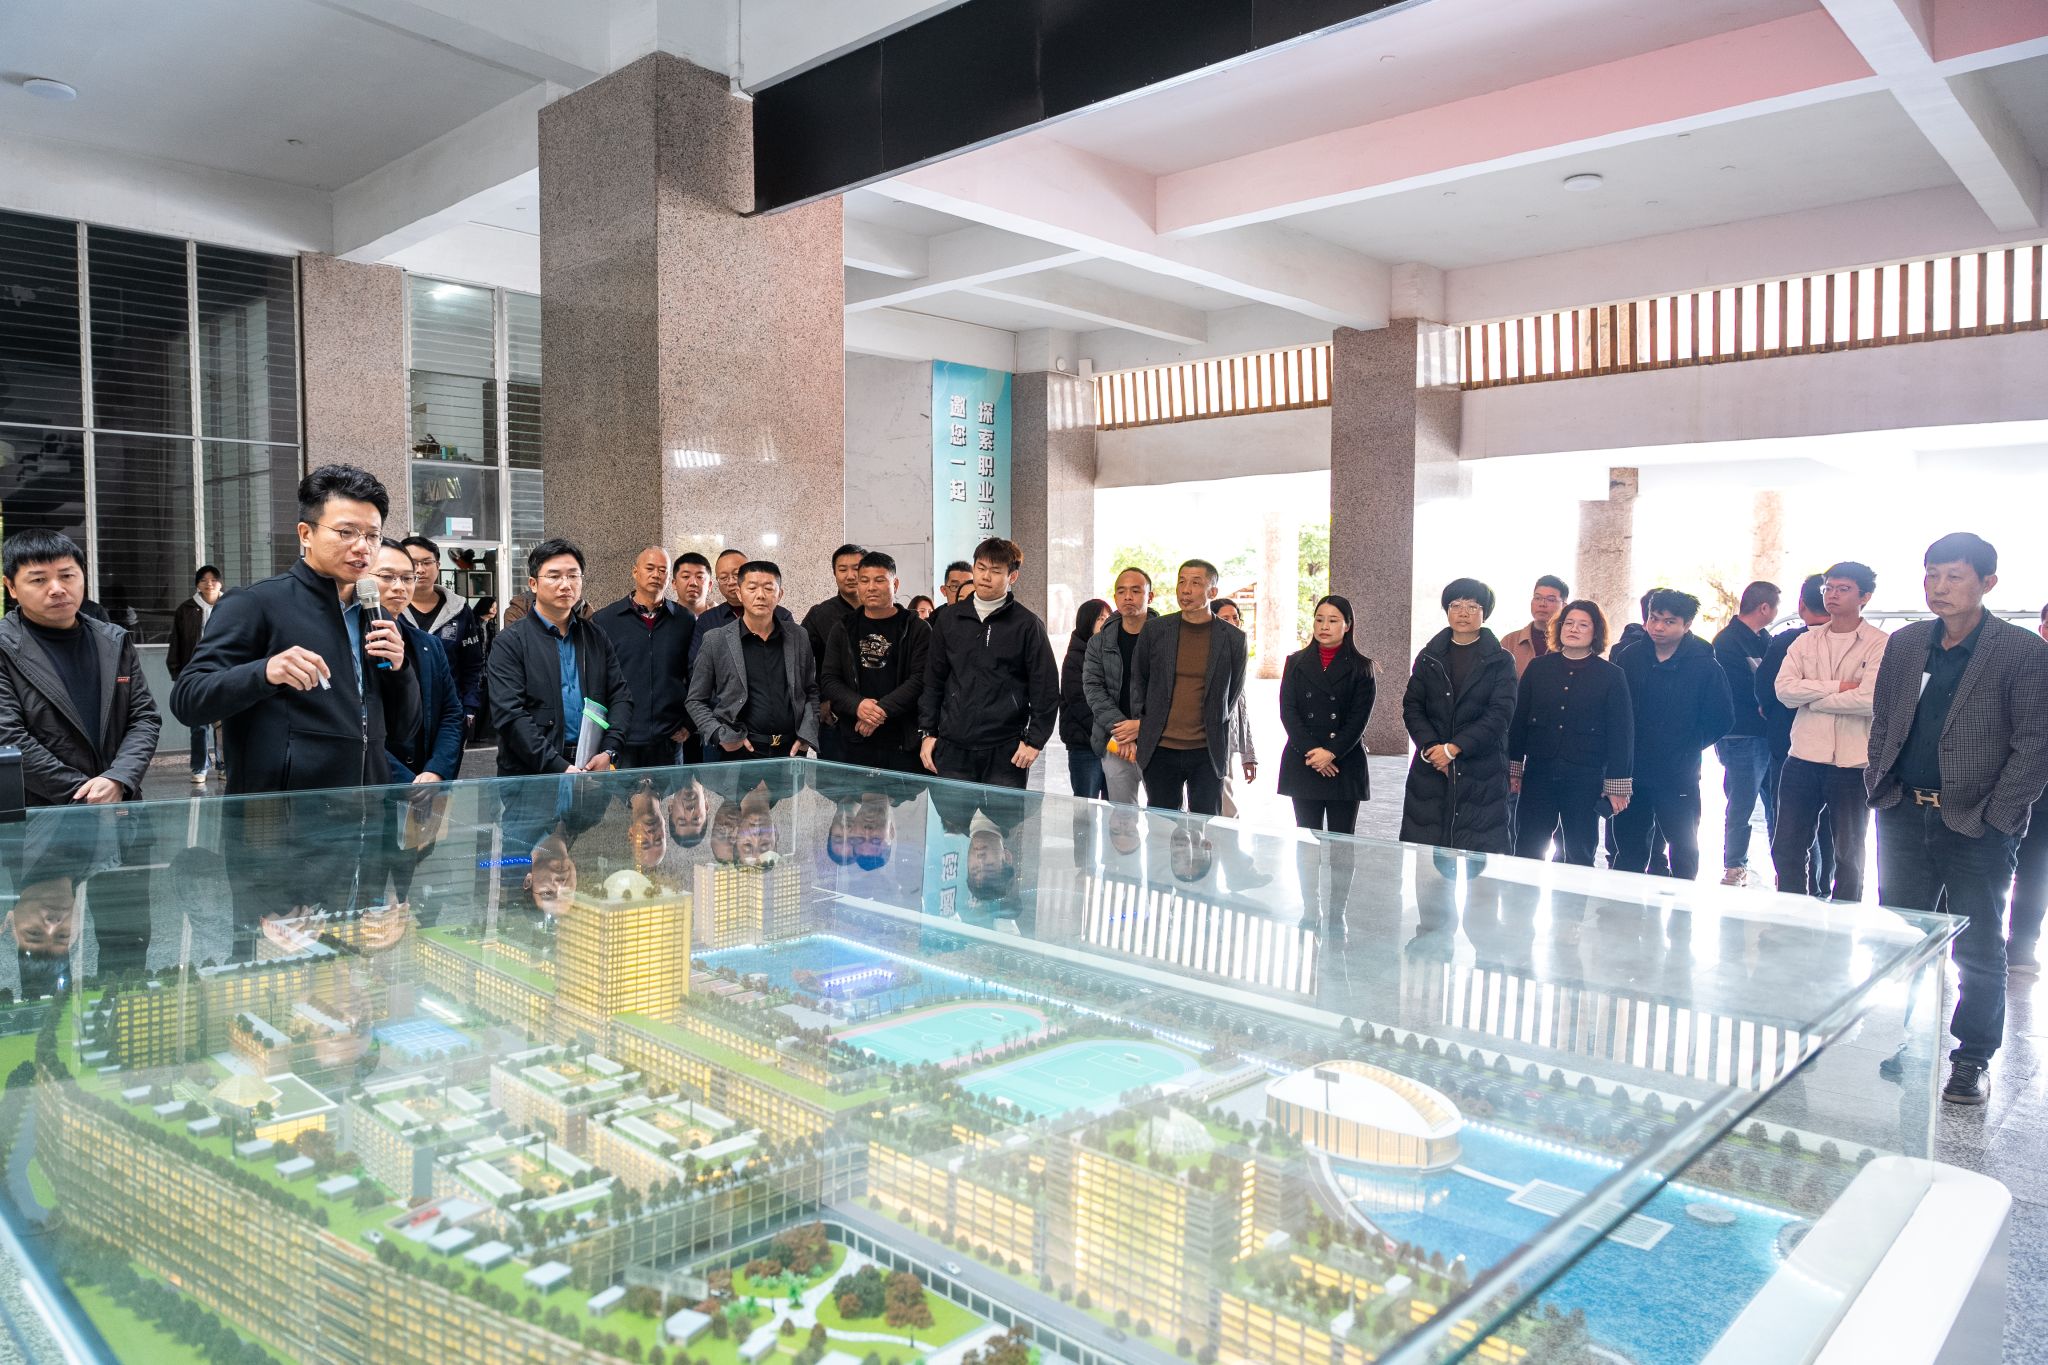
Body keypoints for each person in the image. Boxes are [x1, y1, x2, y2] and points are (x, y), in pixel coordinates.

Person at [1866, 532, 2048, 1105]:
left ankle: (1971, 1059)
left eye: (1954, 576)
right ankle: (1914, 1041)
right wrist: (1880, 780)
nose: (1939, 587)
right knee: (1912, 940)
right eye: (1931, 575)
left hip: (1976, 821)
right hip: (1903, 811)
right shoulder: (1906, 643)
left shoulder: (2021, 650)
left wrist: (1999, 816)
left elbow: (2036, 742)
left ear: (1987, 583)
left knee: (1978, 946)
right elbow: (1885, 718)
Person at [171, 464, 420, 795]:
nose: (363, 546)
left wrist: (401, 672)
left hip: (368, 805)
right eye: (347, 532)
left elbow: (404, 731)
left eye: (372, 535)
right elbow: (188, 699)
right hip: (283, 812)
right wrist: (265, 672)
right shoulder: (255, 603)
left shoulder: (377, 616)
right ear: (306, 534)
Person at [0, 529, 161, 806]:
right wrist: (84, 795)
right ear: (11, 587)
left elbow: (144, 718)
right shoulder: (5, 648)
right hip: (41, 814)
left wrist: (119, 778)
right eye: (39, 579)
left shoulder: (113, 640)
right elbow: (8, 735)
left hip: (121, 804)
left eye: (67, 575)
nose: (57, 588)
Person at [1771, 561, 1884, 901]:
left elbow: (1870, 699)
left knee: (1848, 854)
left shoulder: (1880, 643)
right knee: (1787, 846)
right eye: (1828, 588)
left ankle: (1844, 917)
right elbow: (1784, 691)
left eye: (1843, 589)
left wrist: (1814, 699)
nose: (1832, 595)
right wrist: (1839, 687)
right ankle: (1792, 911)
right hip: (1803, 756)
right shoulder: (1805, 641)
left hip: (1853, 762)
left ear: (1864, 596)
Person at [1611, 589, 1733, 880]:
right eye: (1654, 618)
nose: (1658, 627)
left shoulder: (1705, 664)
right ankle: (1622, 904)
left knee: (1684, 850)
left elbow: (1722, 718)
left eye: (1669, 622)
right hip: (1634, 771)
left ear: (1687, 624)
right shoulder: (1630, 657)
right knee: (1628, 850)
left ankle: (1683, 904)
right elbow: (1615, 710)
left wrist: (1687, 744)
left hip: (1679, 773)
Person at [918, 537, 1057, 789]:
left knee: (1003, 816)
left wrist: (1035, 741)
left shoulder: (1027, 625)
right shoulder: (948, 619)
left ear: (1012, 576)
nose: (985, 576)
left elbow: (1045, 688)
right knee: (951, 815)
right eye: (980, 568)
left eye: (995, 571)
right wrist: (928, 733)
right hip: (953, 745)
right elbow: (933, 680)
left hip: (1006, 749)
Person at [487, 538, 631, 776]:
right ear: (533, 584)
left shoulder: (595, 636)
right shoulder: (510, 642)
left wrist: (609, 751)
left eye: (573, 576)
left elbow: (620, 696)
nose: (565, 584)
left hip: (590, 766)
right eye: (554, 576)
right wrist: (559, 767)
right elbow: (510, 715)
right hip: (532, 774)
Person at [1507, 600, 1633, 866]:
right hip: (1539, 772)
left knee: (1580, 851)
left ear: (1596, 632)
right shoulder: (1538, 668)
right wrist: (1514, 768)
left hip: (1585, 776)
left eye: (1583, 625)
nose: (1574, 629)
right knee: (1527, 846)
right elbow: (1518, 722)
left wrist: (1617, 785)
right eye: (1568, 623)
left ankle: (1574, 896)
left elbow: (1621, 734)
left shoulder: (1611, 675)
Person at [1399, 578, 1519, 853]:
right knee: (1429, 860)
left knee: (1480, 863)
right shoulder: (1429, 656)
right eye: (1456, 605)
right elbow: (1412, 706)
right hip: (1431, 768)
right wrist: (1432, 748)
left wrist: (1453, 749)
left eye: (1472, 606)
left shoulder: (1501, 660)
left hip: (1481, 770)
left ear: (1484, 613)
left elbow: (1500, 713)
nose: (1463, 613)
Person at [1127, 560, 1247, 816]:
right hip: (1160, 748)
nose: (1186, 589)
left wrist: (1215, 719)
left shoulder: (1233, 638)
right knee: (1162, 826)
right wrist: (1145, 722)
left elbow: (1233, 692)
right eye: (1181, 581)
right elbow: (1139, 681)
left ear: (1212, 591)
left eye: (1195, 583)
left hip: (1207, 750)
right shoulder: (1156, 630)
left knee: (1205, 826)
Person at [687, 560, 818, 760]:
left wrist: (807, 734)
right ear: (739, 593)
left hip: (791, 750)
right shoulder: (717, 640)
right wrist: (718, 734)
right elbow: (695, 699)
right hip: (740, 751)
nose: (760, 595)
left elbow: (810, 690)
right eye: (752, 588)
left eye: (768, 588)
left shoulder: (798, 635)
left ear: (780, 594)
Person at [820, 551, 930, 772]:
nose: (871, 587)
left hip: (902, 739)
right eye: (864, 581)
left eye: (879, 580)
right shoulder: (843, 628)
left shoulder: (916, 628)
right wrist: (858, 705)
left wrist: (879, 711)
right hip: (854, 736)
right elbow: (829, 679)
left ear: (895, 584)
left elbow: (920, 679)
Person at [1758, 573, 1832, 893]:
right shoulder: (1855, 644)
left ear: (1801, 604)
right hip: (1837, 749)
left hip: (1789, 747)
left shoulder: (1785, 642)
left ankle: (1798, 890)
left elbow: (1765, 693)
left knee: (1790, 824)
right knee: (1831, 827)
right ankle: (1825, 885)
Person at [1278, 595, 1375, 833]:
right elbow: (1288, 711)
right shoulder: (1295, 662)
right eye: (1319, 619)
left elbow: (1358, 719)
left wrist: (1330, 753)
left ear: (1347, 625)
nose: (1324, 626)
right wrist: (1314, 754)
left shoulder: (1362, 667)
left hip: (1344, 762)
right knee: (1306, 839)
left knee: (1342, 841)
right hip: (1304, 760)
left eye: (1333, 620)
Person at [594, 545, 697, 770]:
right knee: (624, 793)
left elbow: (696, 675)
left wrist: (690, 724)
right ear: (635, 572)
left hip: (669, 738)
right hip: (623, 738)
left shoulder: (685, 620)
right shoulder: (605, 620)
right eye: (650, 568)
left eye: (663, 570)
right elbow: (597, 680)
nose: (656, 575)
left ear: (669, 578)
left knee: (670, 792)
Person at [370, 541, 463, 783]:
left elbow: (451, 712)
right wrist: (405, 781)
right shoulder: (346, 641)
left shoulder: (428, 644)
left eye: (407, 578)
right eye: (387, 577)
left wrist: (437, 769)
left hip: (427, 781)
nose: (399, 587)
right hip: (374, 784)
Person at [1712, 579, 1781, 885]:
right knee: (1741, 803)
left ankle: (1784, 867)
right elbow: (1738, 690)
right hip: (1740, 735)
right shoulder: (1727, 642)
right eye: (1775, 607)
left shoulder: (1765, 639)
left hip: (1768, 734)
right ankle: (1734, 866)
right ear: (1764, 607)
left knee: (1776, 804)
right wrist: (1767, 700)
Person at [1082, 567, 1158, 805]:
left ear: (1150, 596)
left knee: (1166, 816)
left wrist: (1142, 727)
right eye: (1121, 591)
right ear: (1115, 597)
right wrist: (1123, 732)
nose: (1128, 597)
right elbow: (1093, 689)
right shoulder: (1098, 642)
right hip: (1116, 741)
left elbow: (1171, 691)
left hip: (1158, 741)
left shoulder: (1166, 639)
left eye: (1135, 591)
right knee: (1121, 818)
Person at [398, 535, 485, 737]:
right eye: (412, 563)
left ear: (437, 566)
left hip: (449, 713)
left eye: (426, 562)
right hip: (400, 712)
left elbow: (473, 664)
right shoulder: (388, 609)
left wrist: (469, 707)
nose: (420, 569)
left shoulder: (459, 610)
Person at [2009, 605, 2048, 975]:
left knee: (2036, 871)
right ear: (2042, 629)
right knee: (1990, 865)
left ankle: (2022, 945)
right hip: (2011, 783)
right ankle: (1968, 936)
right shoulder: (2024, 668)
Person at [803, 543, 867, 761]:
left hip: (878, 715)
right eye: (842, 569)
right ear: (834, 573)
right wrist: (819, 700)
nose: (850, 575)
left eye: (856, 568)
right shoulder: (820, 614)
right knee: (835, 780)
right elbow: (802, 663)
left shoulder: (884, 612)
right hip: (835, 716)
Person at [167, 564, 223, 786]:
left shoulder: (230, 605)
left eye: (213, 579)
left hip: (223, 670)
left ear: (220, 582)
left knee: (224, 722)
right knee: (198, 723)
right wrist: (177, 672)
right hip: (195, 672)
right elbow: (176, 642)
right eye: (204, 580)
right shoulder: (186, 609)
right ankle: (200, 767)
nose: (209, 584)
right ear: (197, 584)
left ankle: (225, 765)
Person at [691, 547, 793, 662]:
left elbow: (792, 661)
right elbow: (697, 665)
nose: (731, 582)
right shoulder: (707, 620)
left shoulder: (782, 616)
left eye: (736, 575)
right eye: (723, 578)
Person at [1058, 598, 1112, 799]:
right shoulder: (1075, 657)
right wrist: (1107, 731)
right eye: (1100, 618)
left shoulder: (1113, 652)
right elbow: (1078, 702)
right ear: (1087, 621)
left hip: (1113, 745)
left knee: (1116, 807)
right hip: (1084, 744)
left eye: (1108, 618)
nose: (1105, 623)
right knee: (1085, 807)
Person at [1212, 598, 1258, 817]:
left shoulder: (1237, 652)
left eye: (1235, 618)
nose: (1232, 623)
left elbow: (1242, 708)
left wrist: (1248, 755)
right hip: (1207, 740)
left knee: (1225, 799)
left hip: (1228, 741)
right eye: (1225, 618)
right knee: (1221, 804)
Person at [1501, 574, 1569, 677]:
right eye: (1537, 598)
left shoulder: (1569, 642)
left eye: (1550, 599)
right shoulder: (1510, 641)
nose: (1542, 604)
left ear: (1564, 606)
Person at [670, 552, 714, 617]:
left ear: (709, 585)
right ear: (674, 584)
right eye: (686, 576)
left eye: (700, 577)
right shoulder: (662, 619)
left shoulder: (721, 619)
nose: (693, 583)